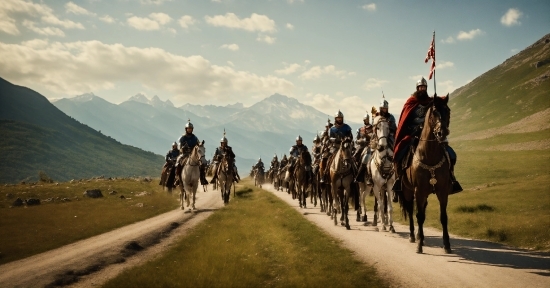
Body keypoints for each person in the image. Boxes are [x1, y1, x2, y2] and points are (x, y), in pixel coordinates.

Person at [392, 77, 462, 194]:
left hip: (430, 134)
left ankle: (451, 178)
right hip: (413, 134)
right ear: (417, 88)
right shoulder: (411, 102)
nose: (422, 89)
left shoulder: (431, 102)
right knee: (400, 151)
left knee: (451, 154)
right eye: (420, 87)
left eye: (424, 87)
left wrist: (442, 98)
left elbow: (440, 103)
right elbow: (405, 120)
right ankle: (399, 179)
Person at [321, 110, 353, 182]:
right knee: (327, 158)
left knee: (352, 159)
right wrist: (336, 140)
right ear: (335, 119)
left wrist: (347, 138)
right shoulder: (332, 129)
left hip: (345, 147)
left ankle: (355, 174)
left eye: (340, 118)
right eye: (338, 118)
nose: (339, 119)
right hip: (335, 147)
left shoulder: (347, 127)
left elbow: (351, 136)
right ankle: (325, 174)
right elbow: (330, 138)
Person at [175, 119, 208, 185]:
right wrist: (183, 148)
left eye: (190, 128)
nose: (189, 130)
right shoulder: (182, 137)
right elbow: (179, 146)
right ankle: (178, 178)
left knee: (201, 165)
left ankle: (202, 178)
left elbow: (198, 144)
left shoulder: (195, 137)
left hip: (193, 154)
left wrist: (200, 144)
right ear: (186, 129)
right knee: (178, 163)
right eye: (188, 128)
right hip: (184, 154)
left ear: (192, 129)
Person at [354, 112, 374, 183]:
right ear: (364, 120)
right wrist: (361, 141)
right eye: (365, 120)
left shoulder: (372, 128)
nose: (366, 121)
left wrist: (367, 136)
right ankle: (356, 174)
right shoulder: (360, 129)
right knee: (355, 155)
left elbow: (373, 137)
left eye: (367, 119)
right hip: (362, 145)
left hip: (370, 145)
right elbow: (356, 140)